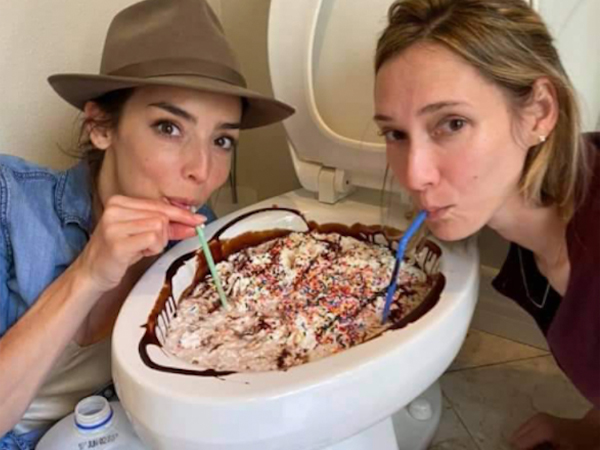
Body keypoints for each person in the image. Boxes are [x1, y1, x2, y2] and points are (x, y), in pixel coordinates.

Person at [0, 0, 293, 448]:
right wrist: (87, 275)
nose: (202, 170)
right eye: (169, 127)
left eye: (222, 140)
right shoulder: (10, 205)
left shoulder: (199, 246)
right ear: (101, 126)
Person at [373, 0, 599, 449]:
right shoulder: (555, 204)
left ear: (539, 112)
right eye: (395, 134)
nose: (414, 176)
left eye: (452, 123)